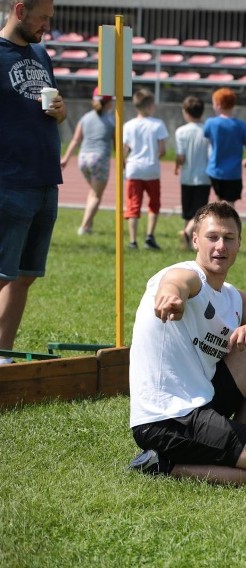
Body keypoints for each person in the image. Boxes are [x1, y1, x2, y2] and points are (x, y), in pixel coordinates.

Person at [127, 202, 246, 486]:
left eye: (228, 238)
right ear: (195, 239)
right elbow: (176, 282)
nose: (220, 246)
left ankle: (245, 432)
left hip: (204, 400)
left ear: (239, 244)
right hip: (168, 419)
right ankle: (164, 464)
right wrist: (171, 296)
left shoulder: (231, 297)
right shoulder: (187, 274)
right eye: (212, 237)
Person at [0, 0, 66, 364]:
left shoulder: (41, 54)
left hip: (45, 180)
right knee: (1, 274)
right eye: (42, 18)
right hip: (8, 181)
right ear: (20, 10)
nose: (47, 25)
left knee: (24, 276)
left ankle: (3, 356)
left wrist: (62, 110)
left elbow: (55, 106)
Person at [61, 87, 114, 236]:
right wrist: (123, 162)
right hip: (99, 158)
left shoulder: (86, 117)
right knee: (97, 195)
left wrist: (65, 158)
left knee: (93, 192)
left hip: (83, 158)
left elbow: (76, 139)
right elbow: (117, 144)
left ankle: (88, 226)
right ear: (109, 103)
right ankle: (84, 227)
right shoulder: (111, 119)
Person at [123, 88, 168, 250]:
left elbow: (124, 149)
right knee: (154, 204)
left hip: (134, 168)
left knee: (133, 205)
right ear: (150, 106)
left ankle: (133, 241)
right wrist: (155, 157)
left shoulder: (128, 125)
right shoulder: (158, 124)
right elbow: (162, 150)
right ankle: (149, 236)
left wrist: (123, 165)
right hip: (151, 168)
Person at [204, 87, 246, 207]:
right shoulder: (241, 125)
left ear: (219, 105)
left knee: (219, 201)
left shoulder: (211, 123)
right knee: (230, 204)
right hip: (233, 173)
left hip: (215, 170)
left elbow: (206, 143)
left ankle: (220, 224)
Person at [173, 95, 210, 250]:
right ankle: (190, 238)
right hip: (204, 176)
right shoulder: (207, 131)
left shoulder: (181, 131)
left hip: (187, 176)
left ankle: (187, 237)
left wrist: (177, 165)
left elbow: (181, 156)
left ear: (185, 112)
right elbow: (210, 153)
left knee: (188, 212)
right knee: (199, 212)